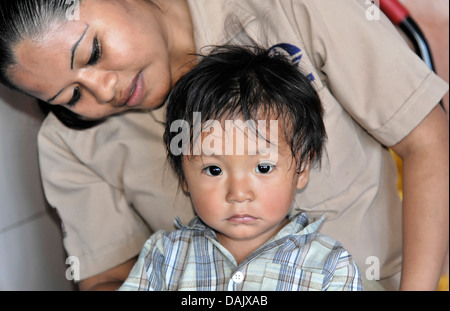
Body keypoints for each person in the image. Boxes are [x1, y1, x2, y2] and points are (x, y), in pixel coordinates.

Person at [0, 0, 448, 291]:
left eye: (93, 52)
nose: (104, 89)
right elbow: (108, 279)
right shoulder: (70, 143)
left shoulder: (284, 0)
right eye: (71, 95)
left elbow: (429, 142)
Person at [119, 44, 362, 291]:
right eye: (214, 170)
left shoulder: (329, 265)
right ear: (183, 176)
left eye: (264, 168)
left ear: (301, 167)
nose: (238, 194)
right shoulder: (163, 257)